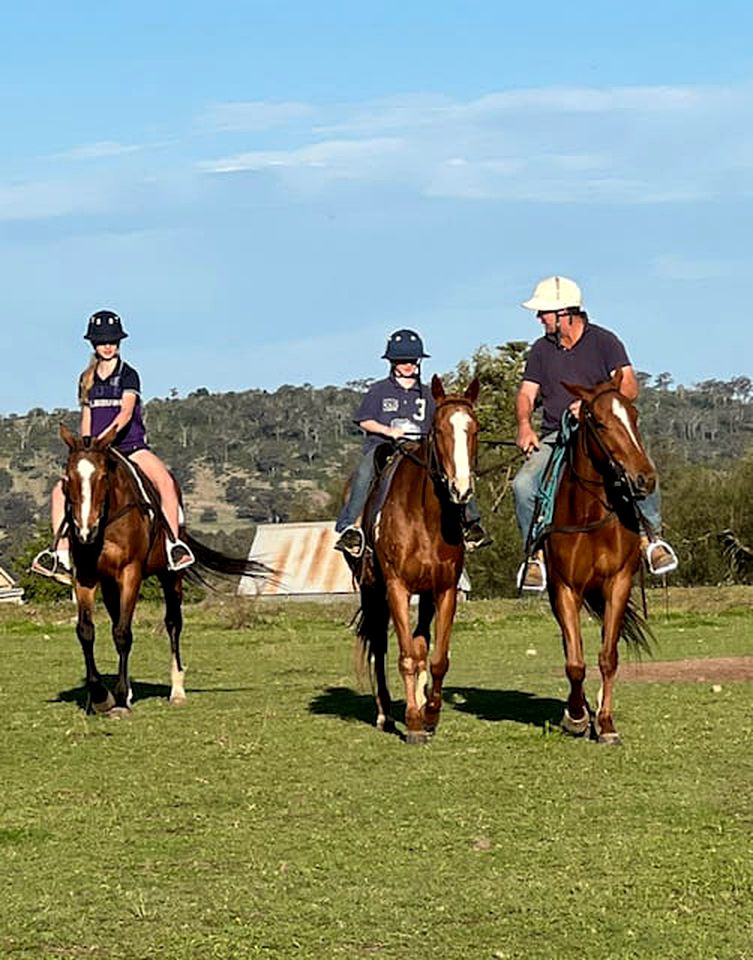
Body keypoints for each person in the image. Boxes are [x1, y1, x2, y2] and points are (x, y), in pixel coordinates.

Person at [512, 276, 678, 591]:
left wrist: (591, 403)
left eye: (544, 312)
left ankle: (651, 540)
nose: (539, 318)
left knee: (644, 471)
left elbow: (628, 384)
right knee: (523, 485)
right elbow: (526, 394)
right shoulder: (540, 350)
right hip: (555, 436)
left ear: (566, 313)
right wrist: (524, 425)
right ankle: (535, 557)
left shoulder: (605, 341)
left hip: (603, 432)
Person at [32, 309, 195, 584]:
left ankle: (172, 546)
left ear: (119, 343)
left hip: (130, 447)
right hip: (97, 451)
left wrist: (105, 439)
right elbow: (87, 418)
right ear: (93, 344)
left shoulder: (129, 375)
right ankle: (59, 554)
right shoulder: (87, 379)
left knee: (165, 483)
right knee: (60, 491)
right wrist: (86, 448)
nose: (107, 346)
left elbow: (125, 414)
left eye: (112, 341)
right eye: (102, 341)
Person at [334, 328, 490, 557]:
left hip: (418, 449)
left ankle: (471, 523)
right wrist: (388, 431)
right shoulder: (379, 390)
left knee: (456, 471)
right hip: (385, 446)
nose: (408, 365)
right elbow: (364, 420)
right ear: (392, 362)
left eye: (412, 360)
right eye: (402, 360)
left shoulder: (426, 393)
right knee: (364, 471)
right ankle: (350, 528)